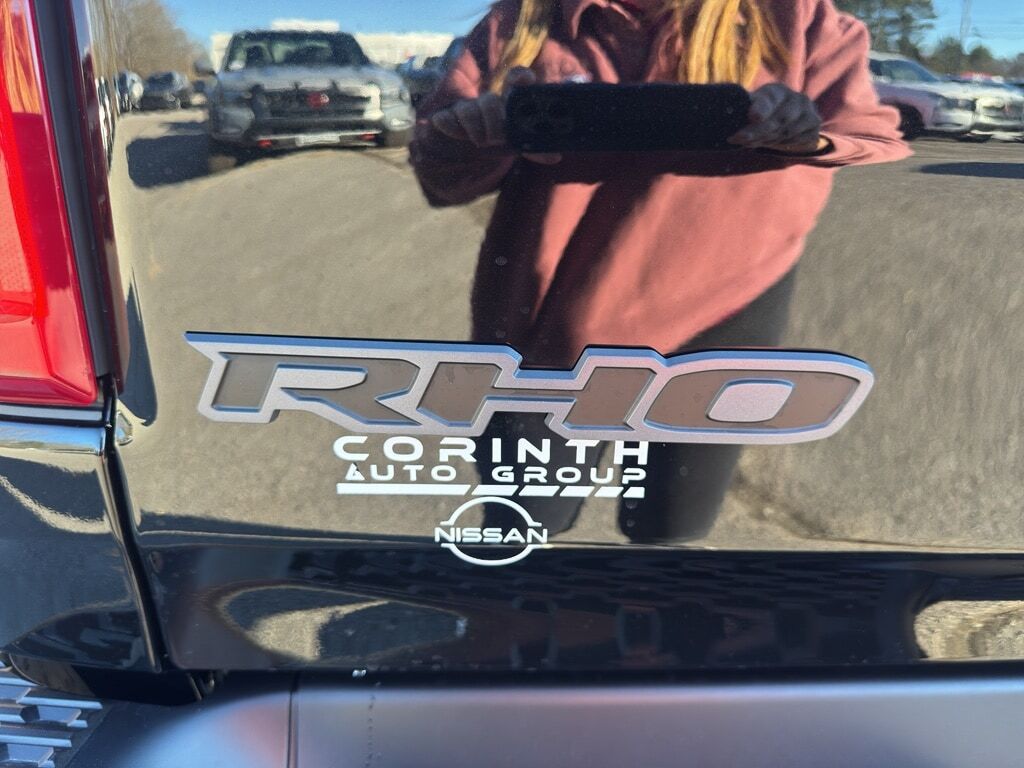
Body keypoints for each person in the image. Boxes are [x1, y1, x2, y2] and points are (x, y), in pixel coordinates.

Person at [410, 0, 910, 542]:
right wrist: (475, 132)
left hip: (723, 308)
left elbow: (866, 130)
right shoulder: (523, 20)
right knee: (524, 522)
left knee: (670, 530)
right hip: (551, 321)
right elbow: (440, 169)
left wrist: (803, 131)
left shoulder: (795, 18)